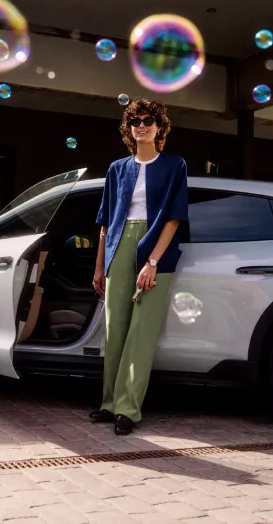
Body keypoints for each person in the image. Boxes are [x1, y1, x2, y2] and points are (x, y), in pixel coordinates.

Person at [91, 99, 189, 436]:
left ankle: (127, 409)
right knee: (114, 328)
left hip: (155, 247)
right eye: (135, 121)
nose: (141, 125)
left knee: (141, 333)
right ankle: (108, 403)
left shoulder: (175, 165)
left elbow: (174, 218)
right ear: (129, 129)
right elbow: (104, 221)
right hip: (118, 245)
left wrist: (152, 262)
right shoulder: (117, 168)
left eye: (148, 120)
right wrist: (100, 264)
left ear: (159, 127)